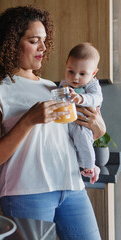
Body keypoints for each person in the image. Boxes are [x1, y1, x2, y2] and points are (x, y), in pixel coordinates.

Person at [0, 5, 105, 239]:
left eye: (45, 40)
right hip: (26, 193)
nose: (44, 48)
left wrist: (98, 130)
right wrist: (28, 120)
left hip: (72, 187)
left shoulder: (54, 88)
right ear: (12, 42)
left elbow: (69, 137)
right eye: (34, 40)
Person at [60, 42, 103, 183]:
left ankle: (90, 166)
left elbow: (96, 98)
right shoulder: (64, 84)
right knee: (68, 142)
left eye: (82, 73)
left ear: (93, 73)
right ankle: (84, 165)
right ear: (66, 65)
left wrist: (81, 98)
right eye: (71, 71)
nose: (75, 78)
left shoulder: (92, 84)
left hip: (84, 124)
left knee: (82, 138)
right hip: (68, 122)